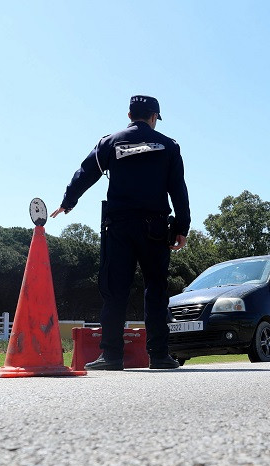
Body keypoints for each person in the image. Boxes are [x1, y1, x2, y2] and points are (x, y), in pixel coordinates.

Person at [51, 95, 191, 370]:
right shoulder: (169, 146)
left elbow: (86, 172)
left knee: (115, 291)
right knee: (156, 290)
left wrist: (68, 202)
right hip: (155, 227)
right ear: (153, 117)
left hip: (119, 227)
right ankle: (160, 356)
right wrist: (181, 228)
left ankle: (112, 356)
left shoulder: (109, 143)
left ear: (129, 115)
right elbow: (178, 190)